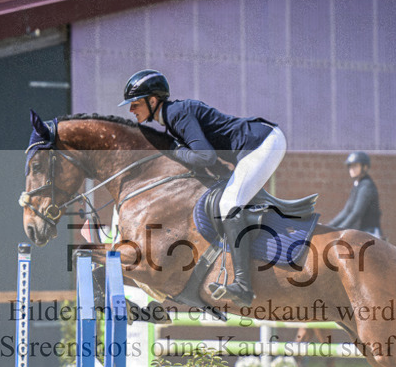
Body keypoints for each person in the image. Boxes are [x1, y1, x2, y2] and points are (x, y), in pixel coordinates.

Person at [118, 69, 286, 308]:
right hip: (255, 146)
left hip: (262, 143)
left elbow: (204, 157)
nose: (131, 110)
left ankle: (243, 285)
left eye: (135, 103)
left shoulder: (176, 113)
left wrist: (174, 151)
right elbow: (211, 161)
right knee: (228, 198)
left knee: (229, 204)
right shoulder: (172, 118)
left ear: (152, 100)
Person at [327, 151, 382, 238]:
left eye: (355, 166)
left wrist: (338, 230)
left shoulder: (367, 186)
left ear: (365, 167)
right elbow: (346, 211)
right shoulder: (357, 185)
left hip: (370, 233)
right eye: (350, 166)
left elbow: (356, 213)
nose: (351, 169)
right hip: (361, 232)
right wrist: (328, 227)